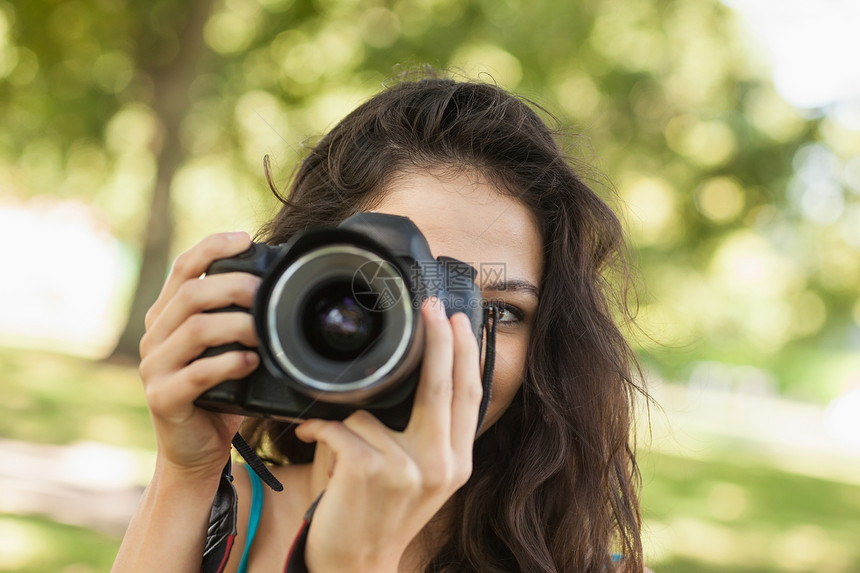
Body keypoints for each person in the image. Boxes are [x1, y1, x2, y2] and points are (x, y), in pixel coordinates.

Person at [112, 71, 651, 572]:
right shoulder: (216, 523)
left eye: (498, 312)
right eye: (382, 293)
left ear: (547, 344)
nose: (446, 339)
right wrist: (185, 475)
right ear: (297, 289)